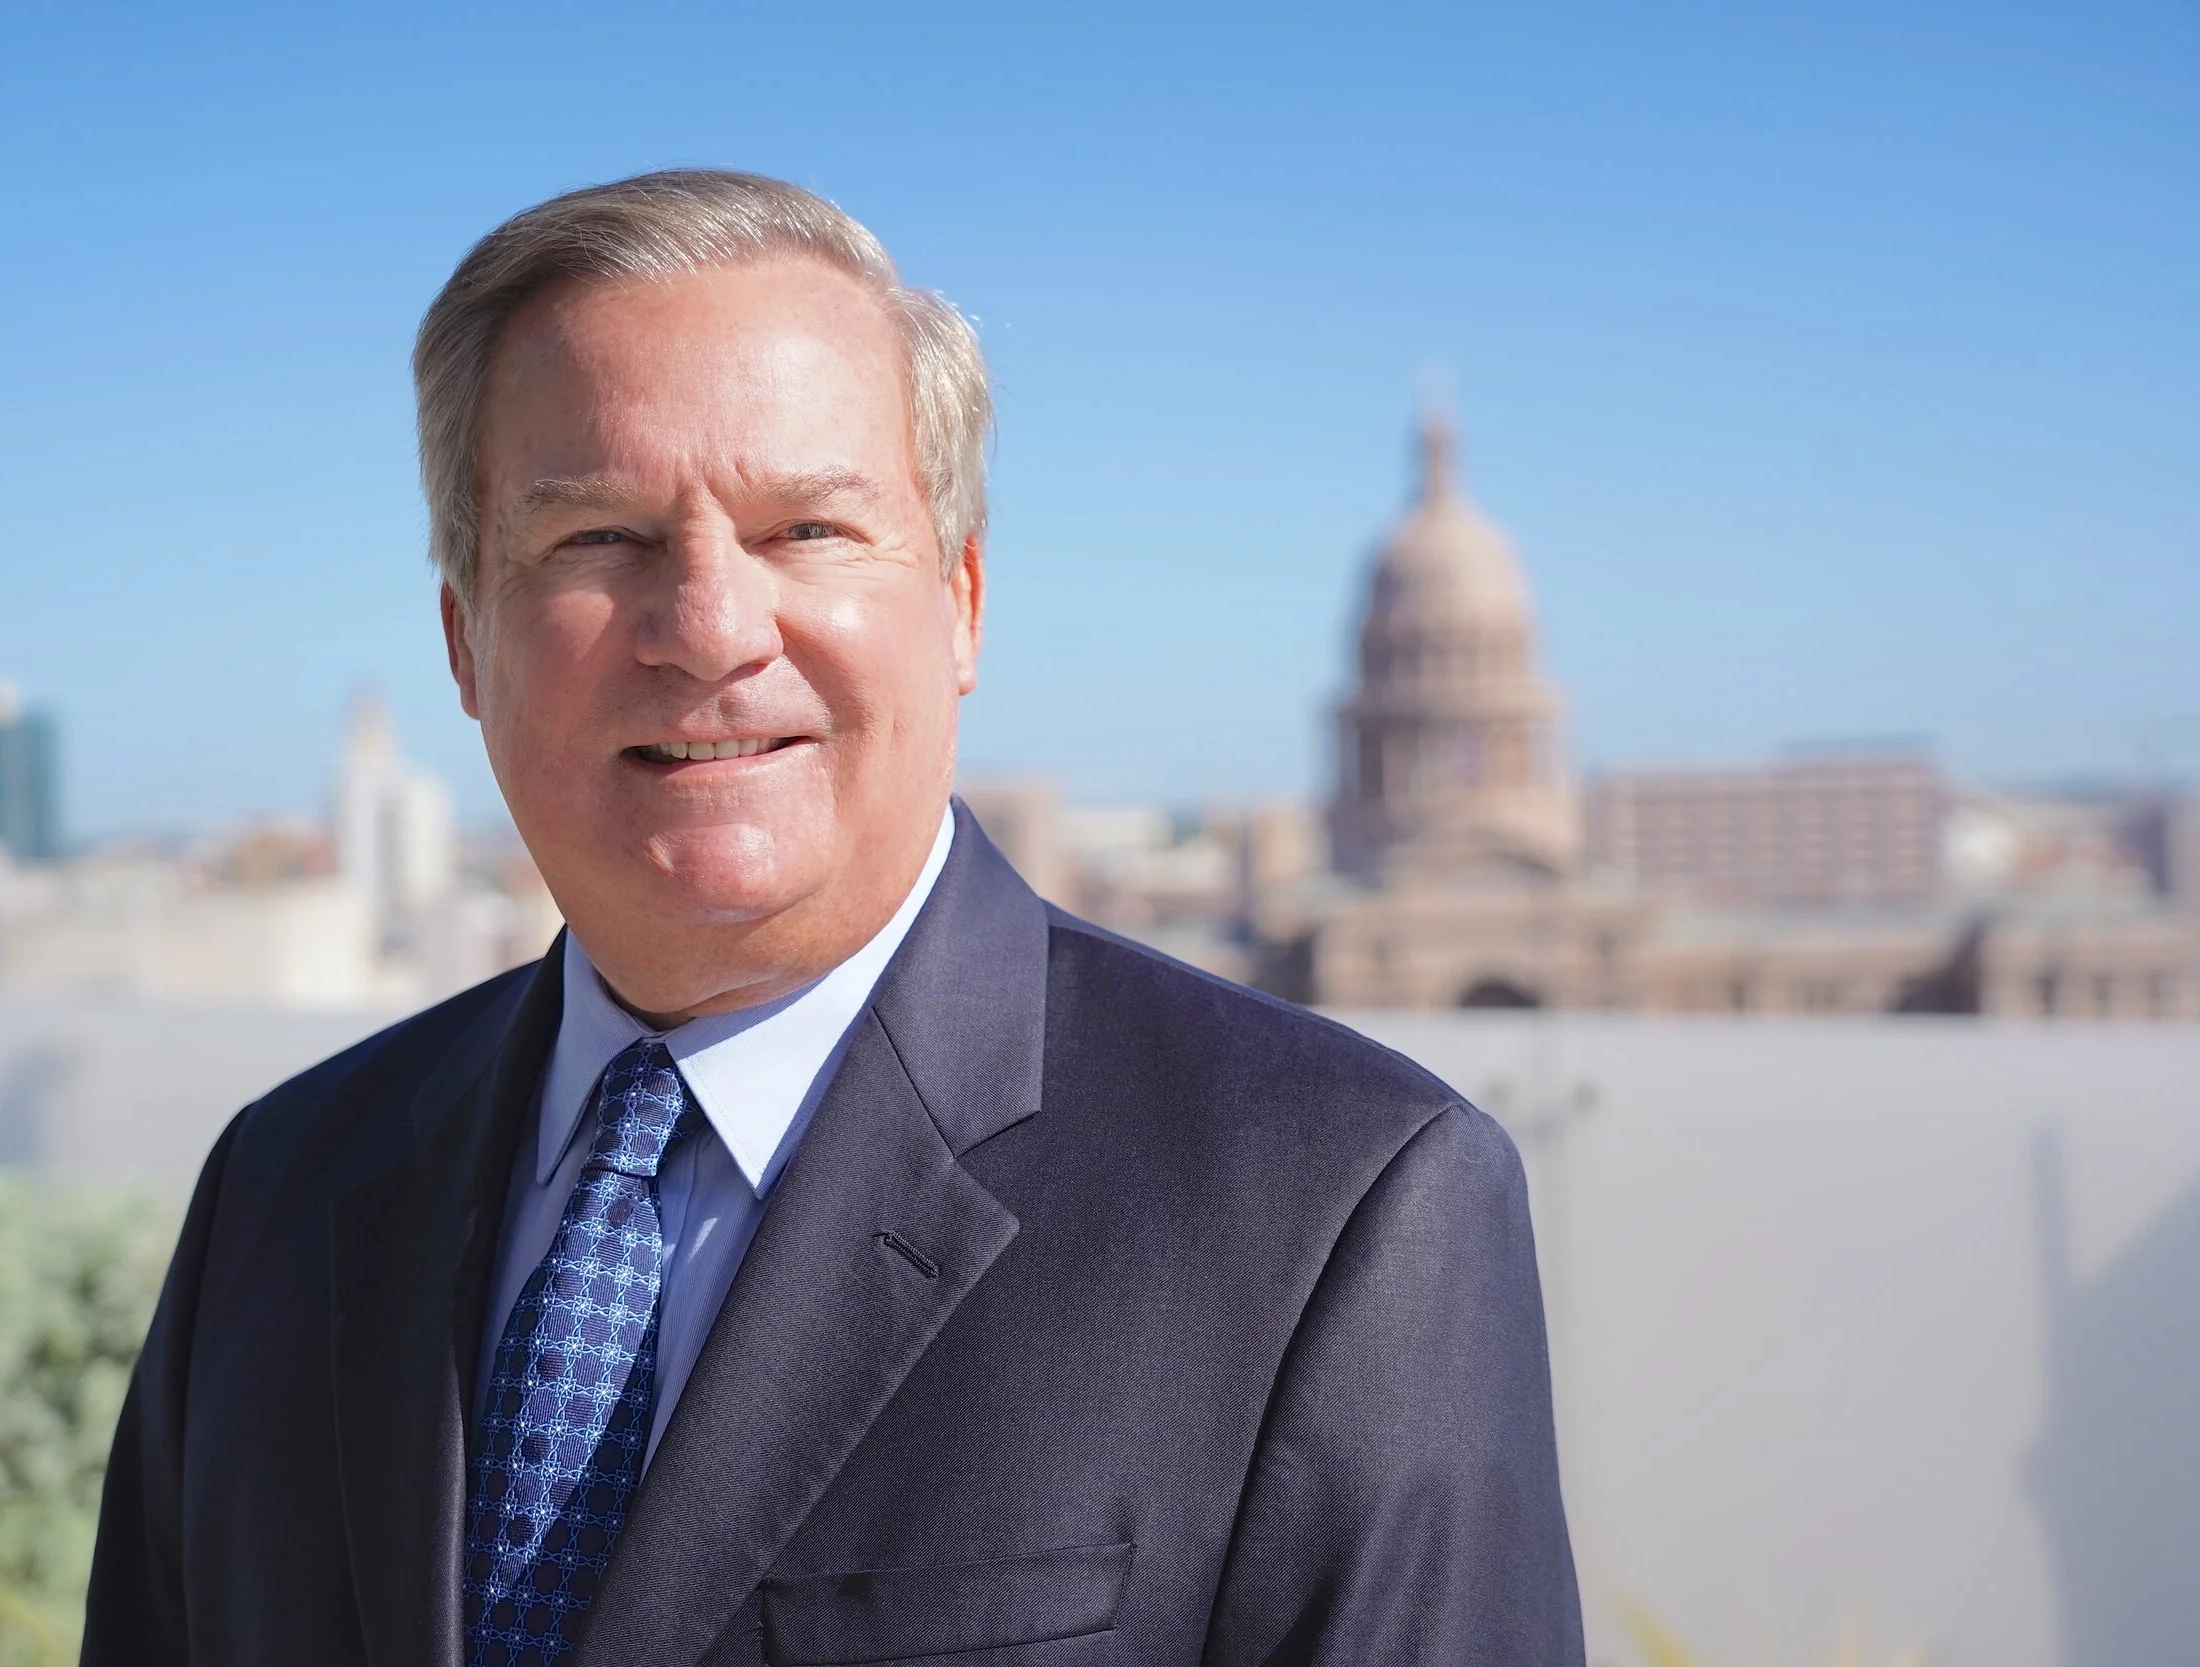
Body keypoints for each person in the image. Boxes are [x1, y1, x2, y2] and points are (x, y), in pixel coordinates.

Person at [82, 168, 1582, 1667]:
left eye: (805, 528)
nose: (712, 628)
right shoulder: (278, 1195)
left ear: (964, 602)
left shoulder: (1337, 1211)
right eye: (596, 536)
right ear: (468, 639)